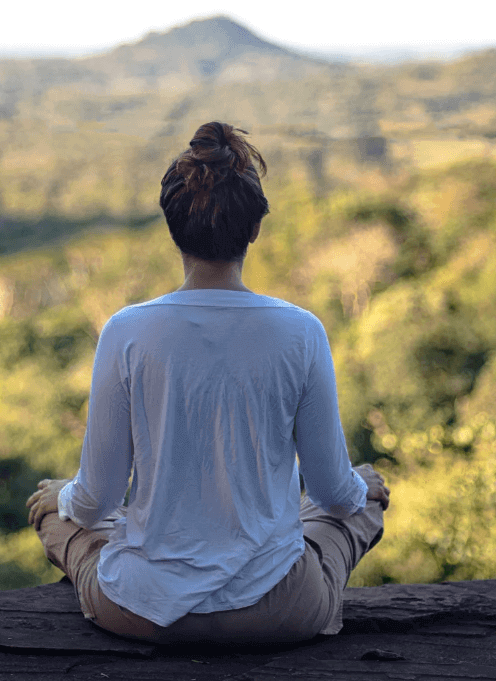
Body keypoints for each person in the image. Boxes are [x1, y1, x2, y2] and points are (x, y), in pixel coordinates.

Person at [27, 121, 388, 645]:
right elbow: (333, 492)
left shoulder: (126, 330)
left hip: (142, 611)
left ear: (173, 227)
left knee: (56, 512)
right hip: (278, 612)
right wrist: (359, 488)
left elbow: (98, 501)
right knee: (362, 497)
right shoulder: (301, 331)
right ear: (254, 229)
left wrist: (65, 497)